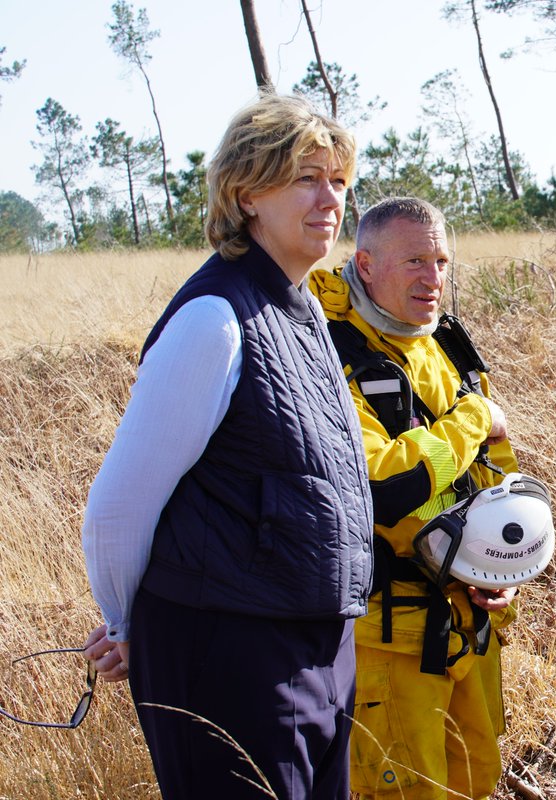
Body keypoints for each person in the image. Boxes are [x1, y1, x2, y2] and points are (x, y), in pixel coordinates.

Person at [79, 94, 373, 799]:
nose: (328, 197)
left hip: (317, 643)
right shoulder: (214, 318)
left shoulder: (303, 313)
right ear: (246, 195)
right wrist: (125, 623)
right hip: (230, 650)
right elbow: (118, 508)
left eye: (338, 180)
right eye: (305, 177)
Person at [308, 197, 519, 800]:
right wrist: (474, 417)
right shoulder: (329, 354)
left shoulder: (446, 345)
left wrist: (498, 569)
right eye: (414, 262)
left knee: (476, 779)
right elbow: (382, 486)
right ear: (366, 264)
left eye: (442, 261)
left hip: (469, 622)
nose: (433, 279)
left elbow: (496, 469)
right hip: (390, 637)